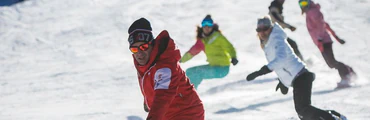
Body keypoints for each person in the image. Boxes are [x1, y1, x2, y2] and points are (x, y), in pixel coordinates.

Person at [246, 16, 347, 120]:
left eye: (265, 29)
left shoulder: (276, 40)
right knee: (303, 112)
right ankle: (334, 116)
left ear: (271, 28)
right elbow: (285, 64)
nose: (262, 32)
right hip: (298, 78)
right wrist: (283, 81)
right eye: (259, 30)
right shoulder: (269, 43)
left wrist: (262, 71)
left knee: (303, 110)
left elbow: (281, 59)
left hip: (301, 76)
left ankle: (333, 118)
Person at [127, 18, 204, 120]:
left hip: (187, 112)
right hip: (167, 114)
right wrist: (147, 100)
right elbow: (146, 79)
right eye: (134, 49)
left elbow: (163, 95)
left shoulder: (165, 65)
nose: (139, 53)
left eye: (144, 47)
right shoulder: (144, 61)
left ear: (152, 45)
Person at [299, 0, 356, 88]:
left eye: (305, 3)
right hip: (321, 41)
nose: (303, 6)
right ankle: (349, 72)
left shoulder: (313, 12)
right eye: (301, 4)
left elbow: (321, 25)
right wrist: (336, 38)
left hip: (324, 41)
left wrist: (320, 38)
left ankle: (346, 76)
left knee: (332, 62)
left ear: (309, 3)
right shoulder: (310, 13)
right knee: (331, 63)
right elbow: (326, 25)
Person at [180, 15, 238, 89]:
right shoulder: (202, 41)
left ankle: (192, 95)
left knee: (197, 73)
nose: (207, 27)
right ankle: (188, 93)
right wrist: (180, 60)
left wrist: (233, 57)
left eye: (209, 24)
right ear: (202, 26)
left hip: (222, 68)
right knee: (189, 72)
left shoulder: (217, 37)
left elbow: (229, 47)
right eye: (204, 24)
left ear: (212, 26)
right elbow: (192, 52)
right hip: (213, 66)